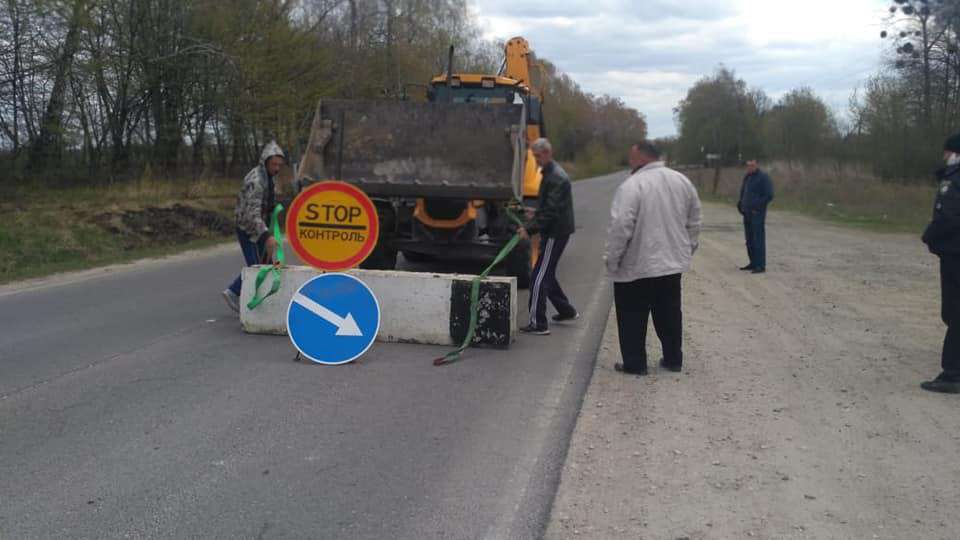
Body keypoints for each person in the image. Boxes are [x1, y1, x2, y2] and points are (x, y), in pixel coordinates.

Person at [604, 141, 701, 375]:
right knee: (669, 313)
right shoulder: (682, 181)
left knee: (632, 315)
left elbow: (621, 226)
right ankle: (673, 359)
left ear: (642, 158)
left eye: (631, 157)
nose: (629, 162)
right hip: (670, 265)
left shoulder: (632, 185)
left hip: (636, 265)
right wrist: (688, 249)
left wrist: (612, 259)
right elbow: (694, 220)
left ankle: (635, 364)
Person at [518, 138, 578, 335]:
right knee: (547, 273)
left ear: (546, 153)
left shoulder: (556, 178)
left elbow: (552, 212)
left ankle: (538, 323)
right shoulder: (549, 173)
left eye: (537, 156)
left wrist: (529, 229)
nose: (535, 160)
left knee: (537, 276)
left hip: (555, 233)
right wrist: (533, 212)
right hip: (556, 229)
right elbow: (549, 207)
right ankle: (566, 310)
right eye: (533, 156)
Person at [221, 141, 285, 312]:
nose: (277, 168)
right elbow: (251, 214)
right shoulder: (257, 180)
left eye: (280, 164)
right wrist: (267, 236)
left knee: (265, 265)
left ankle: (256, 298)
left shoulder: (269, 177)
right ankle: (233, 292)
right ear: (265, 161)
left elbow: (266, 203)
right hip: (248, 229)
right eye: (274, 164)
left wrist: (273, 212)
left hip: (259, 226)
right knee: (257, 268)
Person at [921, 132, 960, 394]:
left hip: (955, 254)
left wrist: (929, 236)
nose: (944, 157)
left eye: (946, 152)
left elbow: (948, 217)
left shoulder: (953, 181)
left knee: (955, 312)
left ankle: (952, 374)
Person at [737, 159, 774, 274]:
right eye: (748, 165)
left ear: (757, 165)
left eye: (752, 165)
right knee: (749, 240)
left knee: (758, 239)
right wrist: (740, 204)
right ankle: (753, 262)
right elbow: (743, 192)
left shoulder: (763, 177)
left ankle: (760, 265)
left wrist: (756, 206)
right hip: (746, 213)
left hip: (757, 213)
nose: (750, 167)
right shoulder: (747, 177)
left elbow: (769, 195)